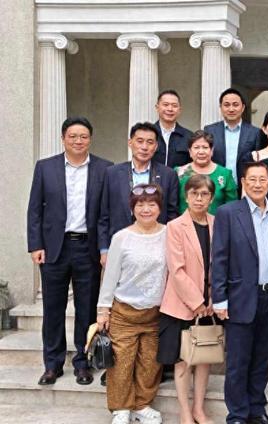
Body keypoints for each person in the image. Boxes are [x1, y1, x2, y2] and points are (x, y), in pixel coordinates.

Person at [27, 117, 112, 386]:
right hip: (55, 248)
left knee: (86, 309)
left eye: (83, 136)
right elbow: (35, 210)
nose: (78, 141)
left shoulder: (104, 169)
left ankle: (82, 362)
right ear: (63, 138)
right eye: (73, 136)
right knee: (53, 308)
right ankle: (52, 364)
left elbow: (106, 214)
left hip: (88, 248)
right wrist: (36, 245)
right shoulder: (45, 167)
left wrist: (105, 248)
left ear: (90, 139)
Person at [212, 161, 268, 424]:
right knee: (238, 361)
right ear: (243, 182)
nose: (257, 184)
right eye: (252, 179)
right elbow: (219, 258)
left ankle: (256, 409)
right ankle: (237, 414)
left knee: (262, 358)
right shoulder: (228, 213)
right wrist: (219, 298)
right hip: (240, 297)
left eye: (262, 179)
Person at [96, 183, 168, 424]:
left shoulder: (169, 234)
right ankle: (121, 408)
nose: (146, 209)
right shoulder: (121, 238)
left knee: (150, 362)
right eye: (140, 205)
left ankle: (142, 405)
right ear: (132, 208)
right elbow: (110, 276)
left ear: (160, 208)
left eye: (151, 204)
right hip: (124, 312)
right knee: (121, 363)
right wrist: (103, 310)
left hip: (156, 312)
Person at [158, 174, 216, 424]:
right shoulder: (174, 226)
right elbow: (177, 269)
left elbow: (222, 264)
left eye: (204, 194)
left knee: (204, 358)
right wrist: (197, 302)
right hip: (182, 304)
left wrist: (214, 298)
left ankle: (199, 409)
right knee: (183, 360)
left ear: (211, 198)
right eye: (194, 193)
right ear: (186, 196)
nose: (199, 199)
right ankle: (184, 411)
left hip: (211, 304)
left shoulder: (217, 223)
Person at [99, 122, 179, 264]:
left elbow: (172, 214)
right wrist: (104, 250)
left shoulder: (168, 174)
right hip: (120, 244)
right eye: (139, 141)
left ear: (156, 146)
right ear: (130, 143)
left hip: (156, 246)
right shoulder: (112, 173)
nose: (144, 147)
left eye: (150, 142)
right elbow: (104, 214)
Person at [204, 88, 260, 184]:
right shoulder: (210, 131)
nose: (231, 109)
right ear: (221, 107)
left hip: (245, 186)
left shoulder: (255, 133)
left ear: (243, 108)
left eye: (235, 105)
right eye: (226, 105)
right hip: (216, 186)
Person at [175, 130, 237, 215]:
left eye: (205, 147)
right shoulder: (179, 172)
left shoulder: (225, 174)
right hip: (184, 222)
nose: (201, 152)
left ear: (212, 150)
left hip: (217, 222)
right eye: (196, 147)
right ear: (190, 151)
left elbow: (232, 207)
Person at [153, 89, 194, 168]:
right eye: (166, 105)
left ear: (179, 110)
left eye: (174, 106)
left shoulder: (189, 136)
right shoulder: (148, 134)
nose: (170, 109)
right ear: (157, 107)